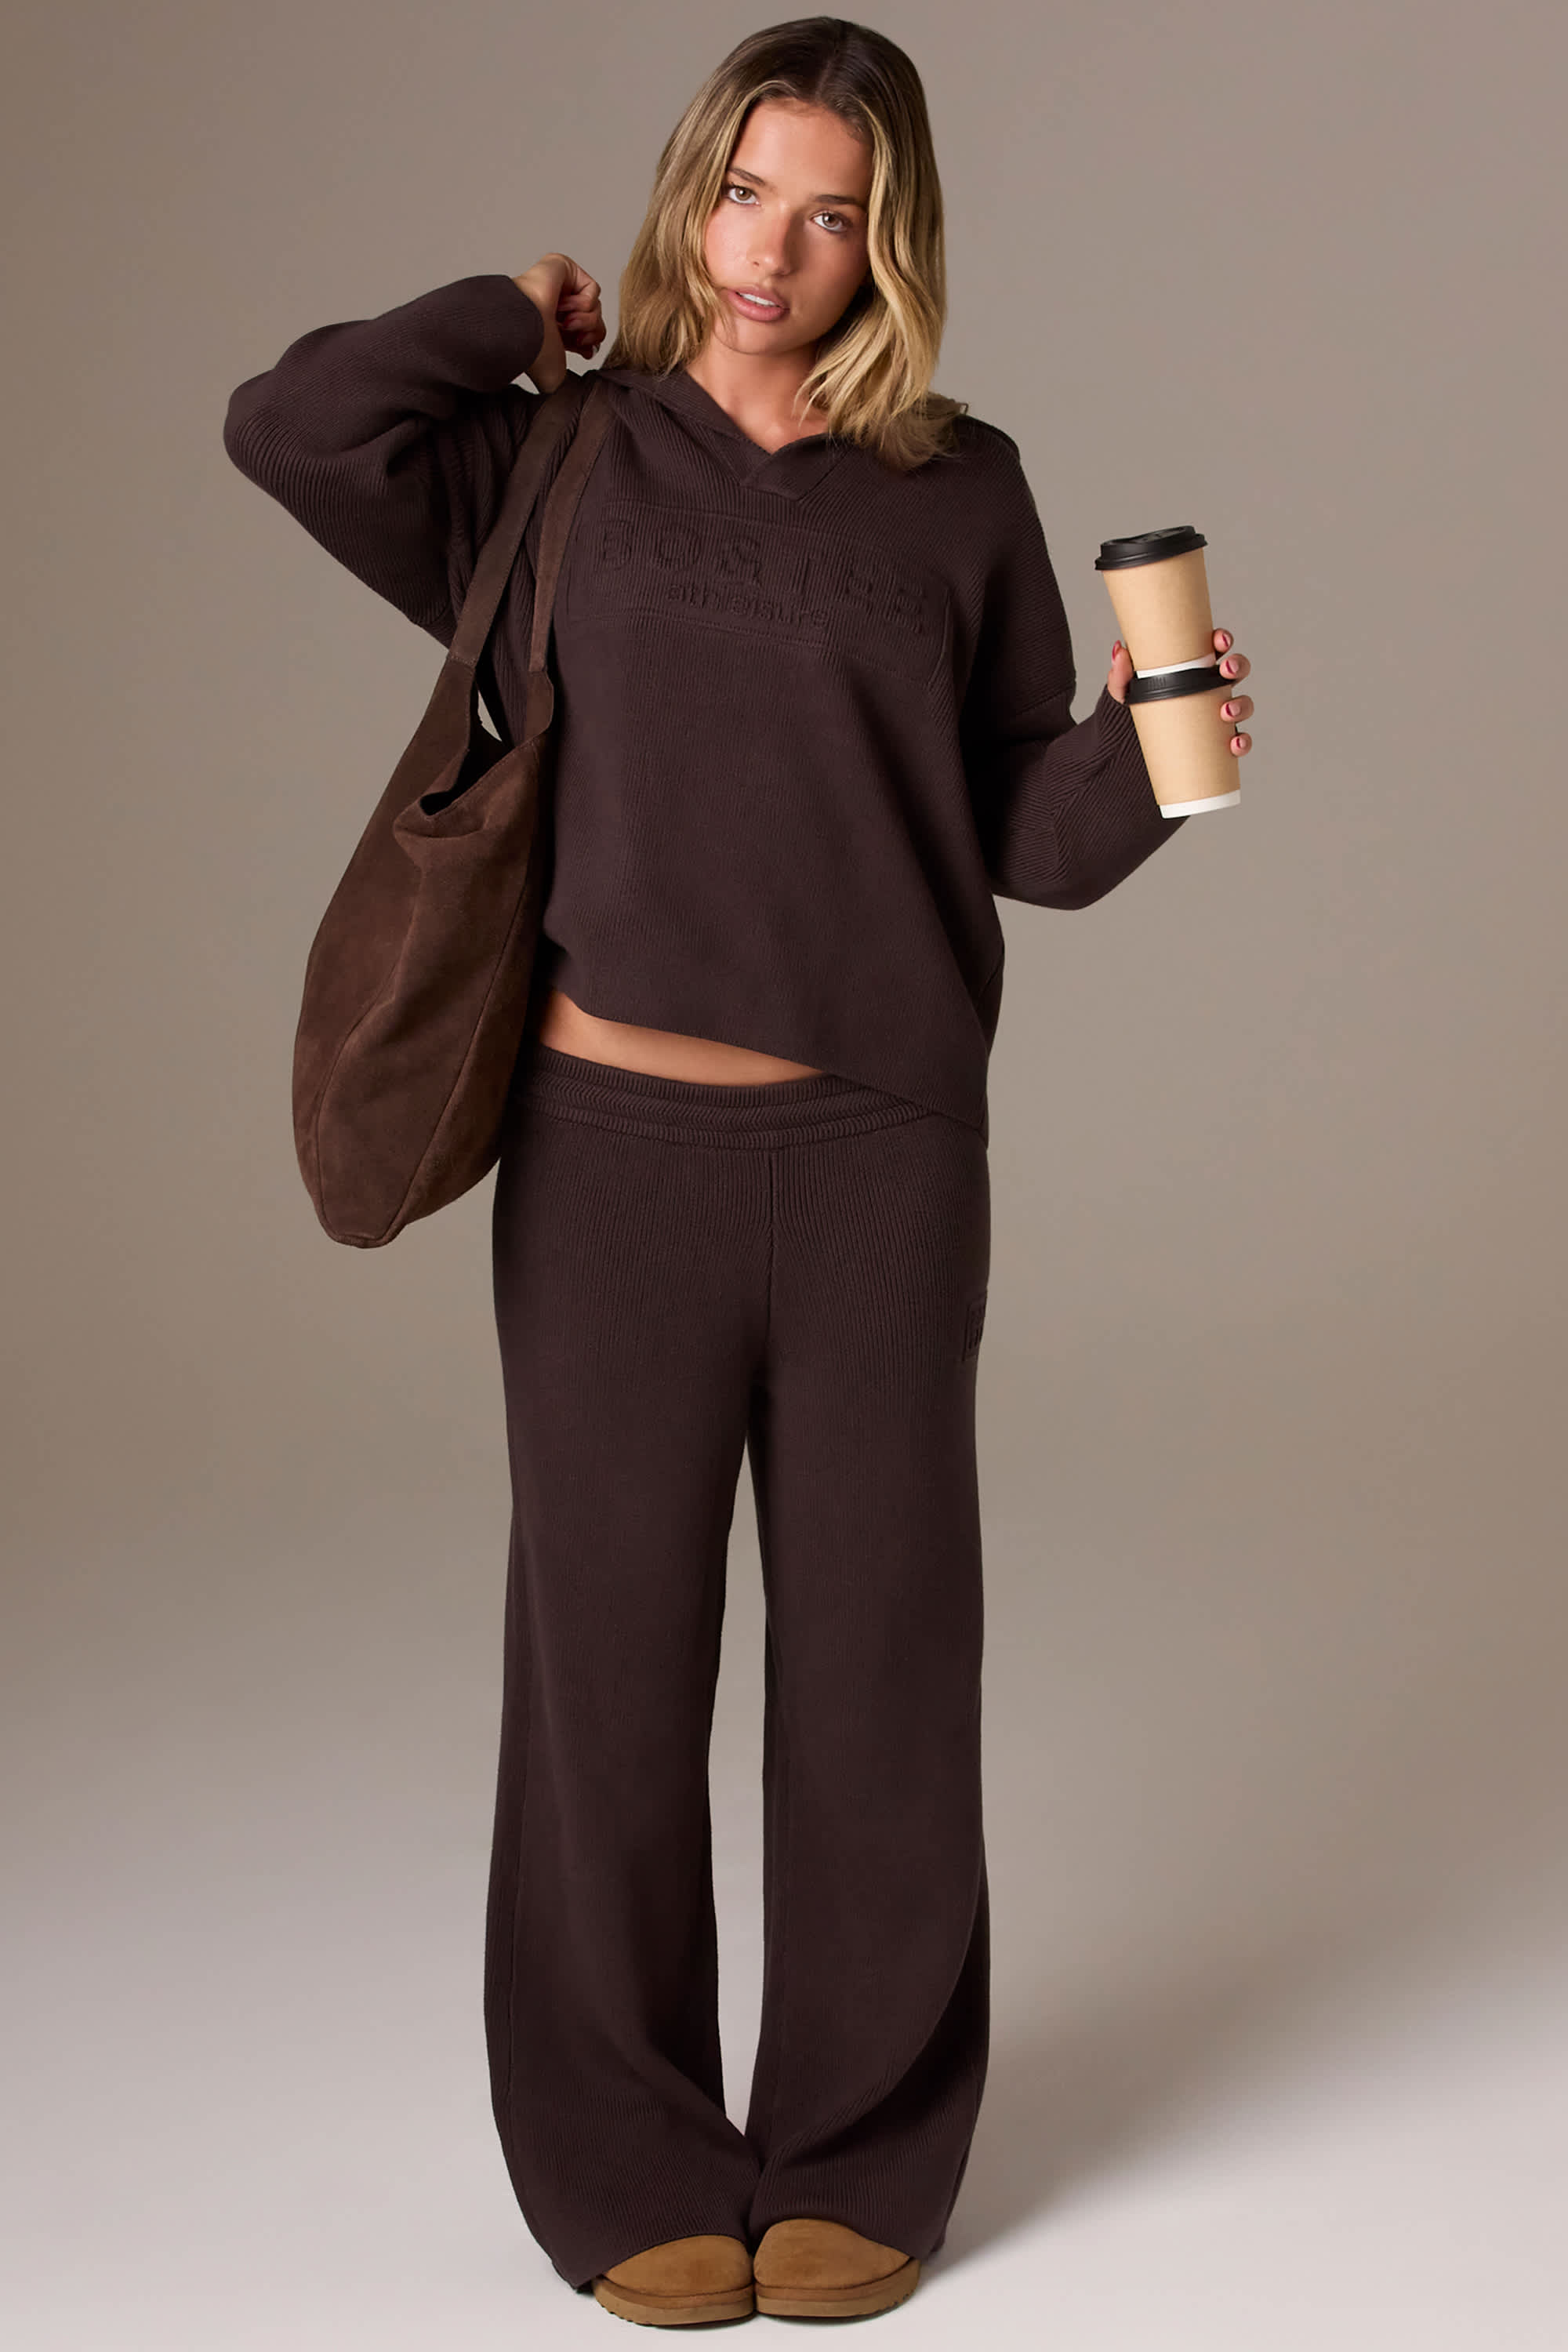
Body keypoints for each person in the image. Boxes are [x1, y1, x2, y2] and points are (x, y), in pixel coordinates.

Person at [223, 14, 1255, 2328]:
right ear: (692, 189)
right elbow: (288, 426)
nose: (775, 249)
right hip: (610, 1155)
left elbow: (1015, 833)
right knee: (605, 1671)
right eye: (744, 190)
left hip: (882, 1155)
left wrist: (1151, 757)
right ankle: (621, 2154)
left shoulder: (955, 490)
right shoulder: (557, 458)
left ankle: (868, 2149)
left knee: (882, 1667)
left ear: (893, 246)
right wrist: (508, 312)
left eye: (832, 213)